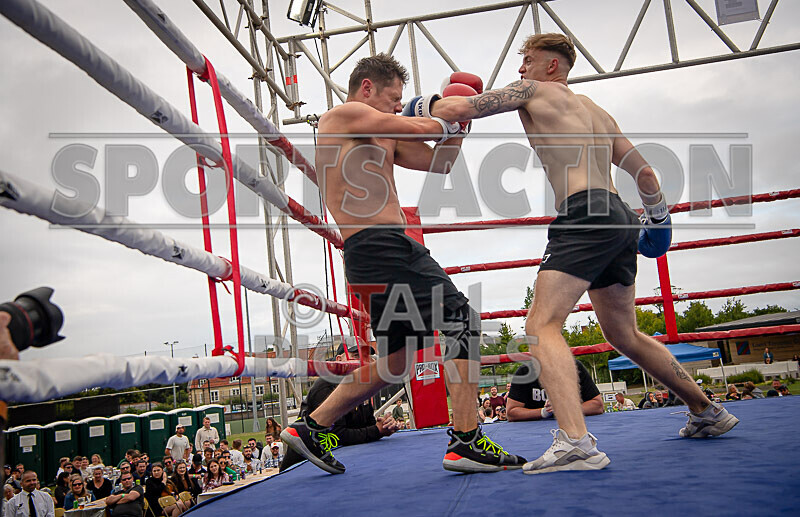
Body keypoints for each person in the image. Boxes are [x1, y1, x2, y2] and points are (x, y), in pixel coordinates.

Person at [428, 32, 738, 473]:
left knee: (541, 324)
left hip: (583, 212)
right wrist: (656, 217)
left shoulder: (533, 91)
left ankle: (576, 442)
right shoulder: (598, 113)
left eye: (528, 60)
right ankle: (707, 410)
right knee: (623, 334)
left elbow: (456, 109)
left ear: (552, 66)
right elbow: (646, 175)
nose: (520, 70)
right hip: (620, 213)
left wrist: (421, 105)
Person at [281, 54, 525, 475]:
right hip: (380, 246)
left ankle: (312, 426)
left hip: (377, 251)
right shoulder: (344, 116)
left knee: (398, 359)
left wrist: (460, 127)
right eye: (393, 98)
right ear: (368, 88)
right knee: (461, 320)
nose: (398, 105)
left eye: (400, 101)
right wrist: (452, 105)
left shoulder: (384, 133)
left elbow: (440, 161)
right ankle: (466, 439)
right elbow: (424, 126)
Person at [279, 343, 400, 472]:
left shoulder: (361, 386)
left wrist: (384, 425)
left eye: (366, 356)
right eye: (355, 356)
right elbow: (336, 436)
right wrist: (377, 431)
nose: (362, 361)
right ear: (339, 360)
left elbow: (367, 425)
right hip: (303, 468)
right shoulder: (326, 386)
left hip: (343, 463)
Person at [507, 360, 603, 421]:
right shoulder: (525, 372)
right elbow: (511, 413)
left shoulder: (574, 367)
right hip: (534, 432)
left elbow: (597, 405)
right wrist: (544, 412)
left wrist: (566, 409)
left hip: (573, 426)